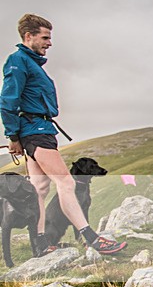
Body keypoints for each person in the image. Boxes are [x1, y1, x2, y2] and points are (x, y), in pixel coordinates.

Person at [1, 13, 126, 256]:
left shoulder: (31, 63)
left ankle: (40, 244)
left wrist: (18, 136)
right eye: (45, 37)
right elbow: (7, 101)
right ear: (29, 36)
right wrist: (13, 136)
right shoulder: (18, 61)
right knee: (66, 182)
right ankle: (91, 238)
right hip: (35, 130)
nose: (50, 43)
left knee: (39, 187)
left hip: (37, 129)